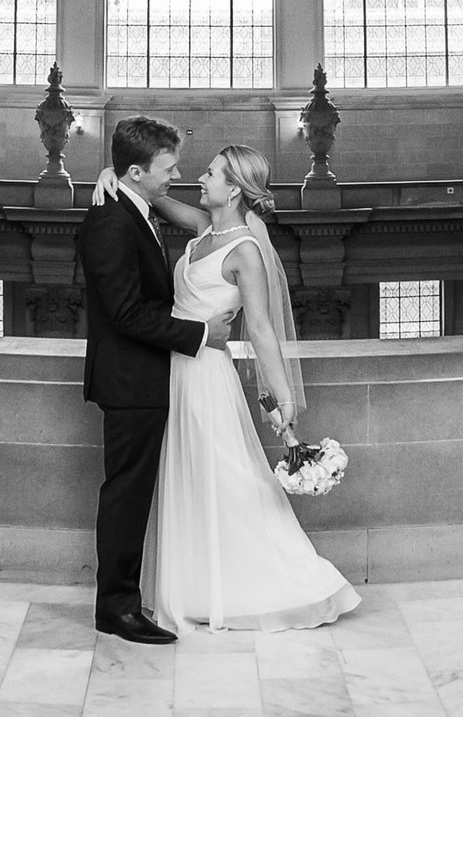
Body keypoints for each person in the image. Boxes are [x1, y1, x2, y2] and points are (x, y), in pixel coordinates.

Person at [142, 144, 360, 633]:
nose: (201, 177)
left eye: (212, 173)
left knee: (228, 478)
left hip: (204, 377)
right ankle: (197, 587)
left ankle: (293, 582)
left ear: (234, 188)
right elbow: (154, 198)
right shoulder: (203, 230)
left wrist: (283, 400)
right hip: (173, 368)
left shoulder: (245, 251)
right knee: (190, 478)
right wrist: (115, 175)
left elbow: (260, 329)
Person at [77, 115, 218, 646]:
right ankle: (116, 608)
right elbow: (127, 315)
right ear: (136, 171)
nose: (175, 175)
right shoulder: (110, 223)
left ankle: (126, 600)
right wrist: (202, 333)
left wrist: (121, 179)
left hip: (147, 380)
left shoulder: (131, 205)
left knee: (133, 493)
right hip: (131, 383)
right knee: (126, 496)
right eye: (167, 168)